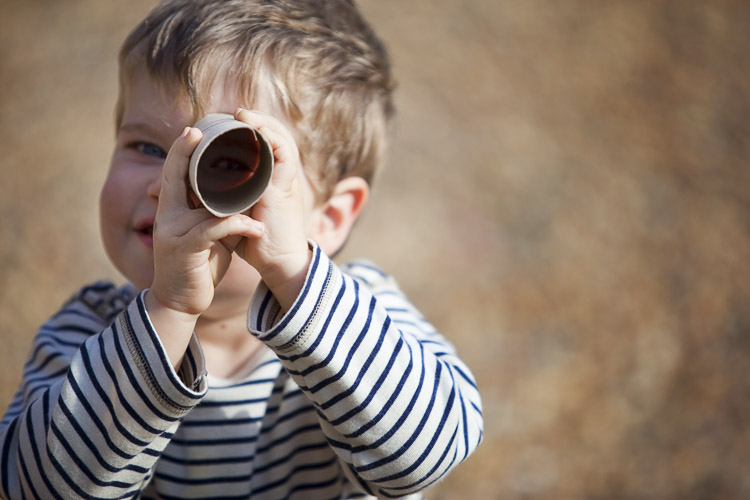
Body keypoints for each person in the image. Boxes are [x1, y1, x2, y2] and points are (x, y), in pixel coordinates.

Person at [0, 0, 484, 498]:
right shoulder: (88, 333)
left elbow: (430, 454)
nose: (168, 186)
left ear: (329, 217)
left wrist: (295, 275)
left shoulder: (363, 317)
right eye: (146, 148)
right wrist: (168, 311)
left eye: (227, 163)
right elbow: (34, 487)